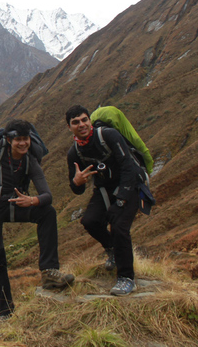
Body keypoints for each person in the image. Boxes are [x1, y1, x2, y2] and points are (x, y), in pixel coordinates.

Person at [0, 119, 74, 319]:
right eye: (18, 140)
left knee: (47, 212)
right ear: (8, 139)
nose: (23, 144)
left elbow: (47, 195)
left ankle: (50, 272)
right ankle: (6, 312)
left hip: (16, 203)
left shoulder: (29, 160)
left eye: (26, 139)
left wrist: (33, 200)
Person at [65, 105, 142, 296]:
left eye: (84, 120)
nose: (81, 125)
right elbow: (77, 189)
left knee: (119, 227)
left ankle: (126, 278)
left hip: (130, 185)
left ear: (89, 120)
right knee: (90, 221)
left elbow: (128, 167)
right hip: (104, 190)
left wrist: (121, 200)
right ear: (69, 127)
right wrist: (77, 182)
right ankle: (112, 250)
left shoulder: (109, 136)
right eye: (76, 122)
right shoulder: (74, 153)